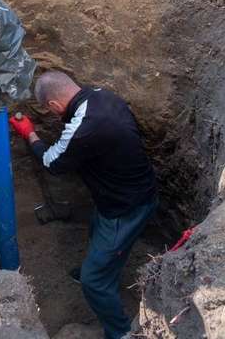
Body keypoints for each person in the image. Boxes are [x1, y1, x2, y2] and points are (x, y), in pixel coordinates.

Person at [10, 71, 157, 339]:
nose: (53, 115)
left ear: (54, 105)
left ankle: (121, 332)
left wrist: (29, 133)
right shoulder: (103, 97)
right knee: (97, 230)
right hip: (126, 193)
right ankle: (99, 265)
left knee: (94, 282)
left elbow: (52, 162)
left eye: (50, 111)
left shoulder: (85, 126)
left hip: (125, 208)